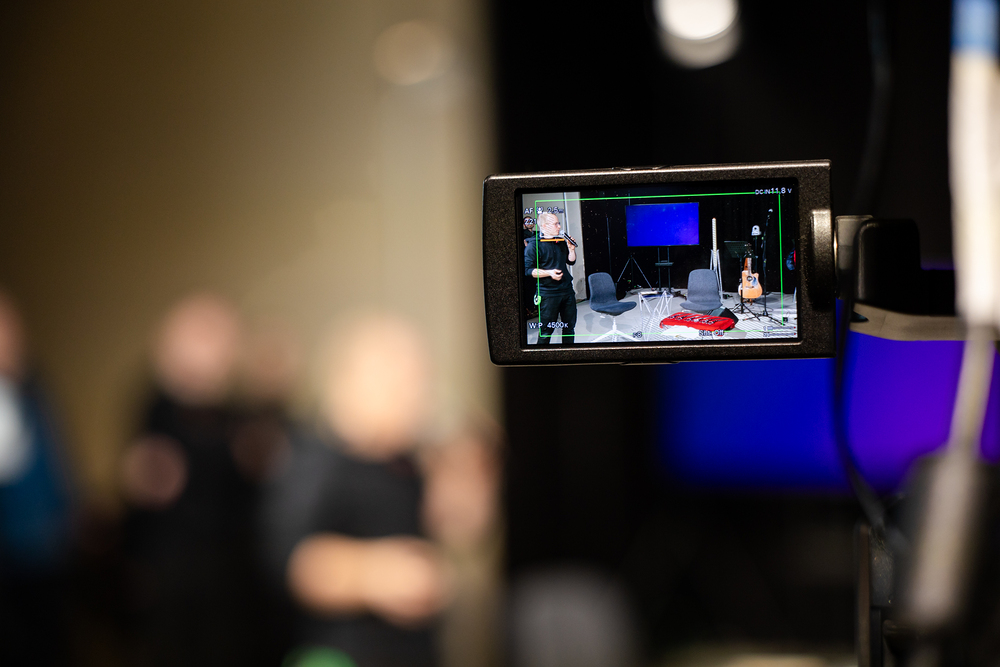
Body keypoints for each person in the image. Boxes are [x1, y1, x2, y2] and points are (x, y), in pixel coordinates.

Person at [524, 212, 577, 345]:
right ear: (544, 226)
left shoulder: (560, 242)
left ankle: (569, 354)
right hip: (548, 293)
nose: (559, 227)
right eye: (555, 224)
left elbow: (571, 262)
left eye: (559, 223)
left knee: (569, 328)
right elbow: (528, 270)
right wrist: (549, 273)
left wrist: (571, 250)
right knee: (546, 331)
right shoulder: (533, 245)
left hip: (567, 291)